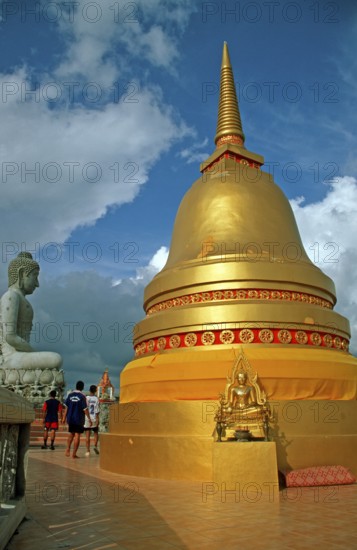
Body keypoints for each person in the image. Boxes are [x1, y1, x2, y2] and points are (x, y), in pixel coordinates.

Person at [0, 252, 62, 370]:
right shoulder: (11, 296)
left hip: (21, 356)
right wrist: (33, 352)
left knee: (55, 360)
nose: (37, 283)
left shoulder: (20, 299)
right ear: (21, 273)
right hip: (11, 358)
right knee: (56, 359)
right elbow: (10, 336)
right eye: (35, 276)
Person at [63, 381, 91, 458]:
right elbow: (85, 409)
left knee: (71, 434)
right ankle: (74, 454)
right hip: (79, 418)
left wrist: (63, 417)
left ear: (76, 386)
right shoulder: (82, 396)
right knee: (77, 435)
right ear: (82, 387)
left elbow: (66, 407)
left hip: (71, 418)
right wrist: (89, 418)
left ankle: (68, 449)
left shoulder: (70, 395)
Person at [84, 385, 100, 456]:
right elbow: (97, 410)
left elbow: (84, 408)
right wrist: (97, 419)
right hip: (94, 417)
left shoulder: (86, 398)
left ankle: (88, 451)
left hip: (87, 418)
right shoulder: (96, 399)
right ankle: (95, 446)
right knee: (96, 433)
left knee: (87, 435)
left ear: (89, 390)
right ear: (95, 391)